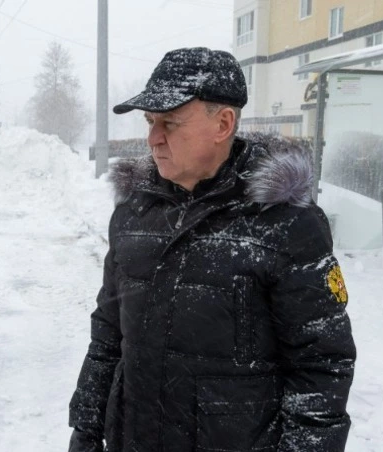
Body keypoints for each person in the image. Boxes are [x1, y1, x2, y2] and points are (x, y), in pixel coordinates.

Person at [68, 47, 356, 452]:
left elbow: (322, 364)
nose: (152, 138)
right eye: (150, 121)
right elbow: (107, 335)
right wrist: (85, 429)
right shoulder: (133, 215)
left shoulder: (285, 223)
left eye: (169, 122)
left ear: (223, 124)